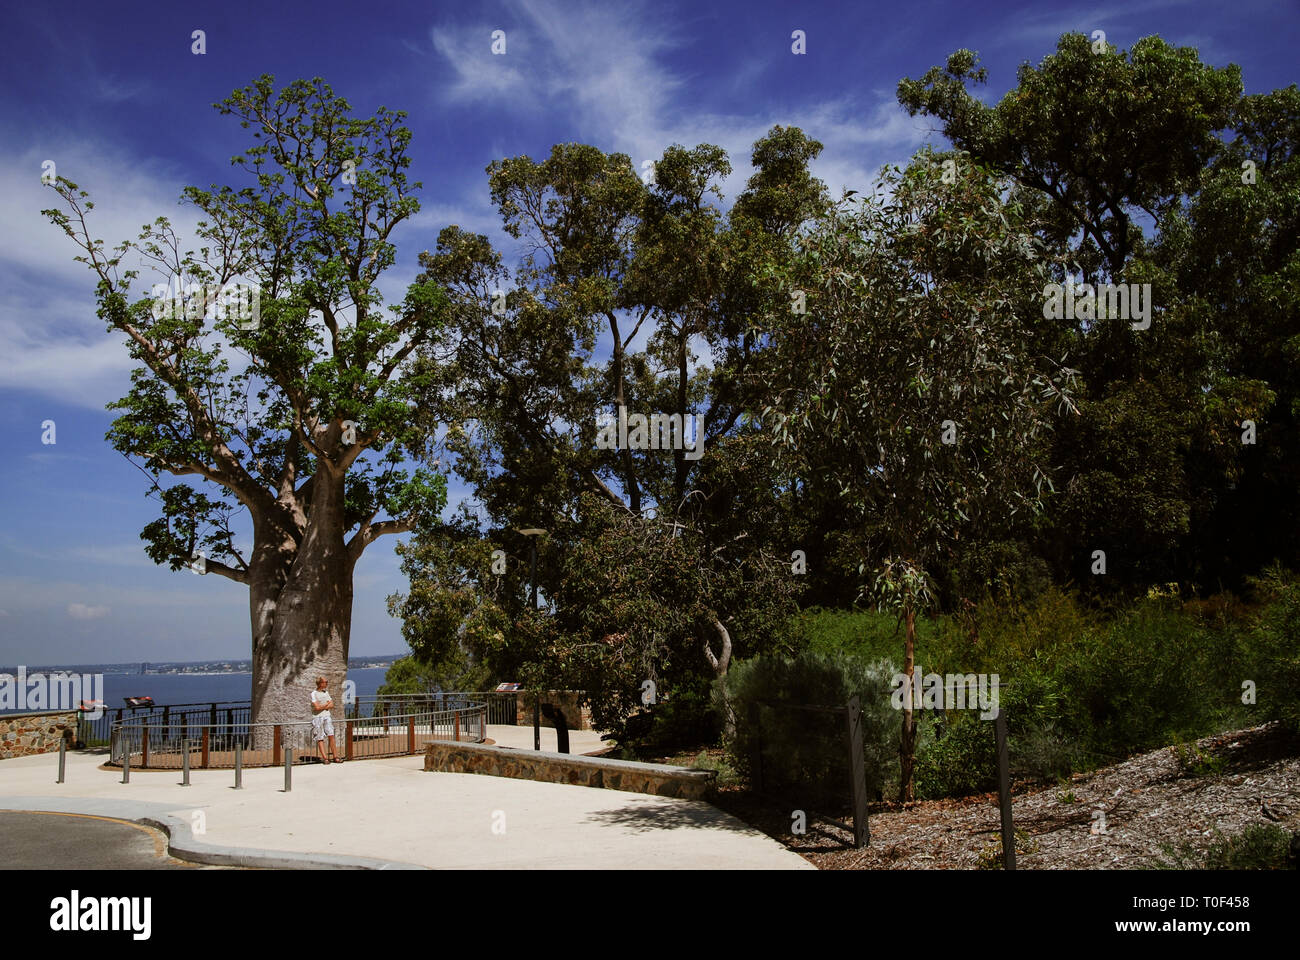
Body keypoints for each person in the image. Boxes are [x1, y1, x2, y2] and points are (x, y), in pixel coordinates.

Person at [311, 677, 342, 763]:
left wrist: (323, 706)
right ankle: (325, 758)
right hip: (317, 717)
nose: (327, 683)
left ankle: (335, 756)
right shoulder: (314, 694)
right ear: (320, 683)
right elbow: (317, 707)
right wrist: (326, 705)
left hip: (327, 716)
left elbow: (332, 704)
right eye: (325, 682)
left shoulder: (326, 693)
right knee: (320, 737)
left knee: (331, 735)